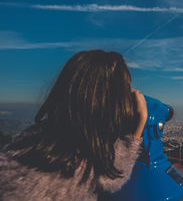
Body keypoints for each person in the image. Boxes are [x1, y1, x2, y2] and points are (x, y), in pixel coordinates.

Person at [0, 50, 148, 200]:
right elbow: (114, 176)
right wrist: (140, 123)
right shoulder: (80, 166)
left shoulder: (35, 136)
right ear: (107, 102)